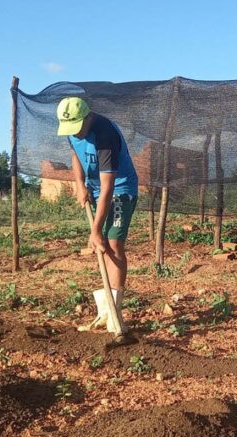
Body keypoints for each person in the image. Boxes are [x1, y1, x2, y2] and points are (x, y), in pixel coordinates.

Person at [56, 97, 139, 332]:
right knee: (102, 247)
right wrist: (80, 184)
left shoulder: (105, 137)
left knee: (112, 244)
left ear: (88, 117)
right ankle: (105, 312)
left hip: (120, 189)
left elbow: (108, 188)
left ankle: (114, 313)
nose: (75, 134)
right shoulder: (74, 131)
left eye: (78, 128)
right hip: (95, 189)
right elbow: (76, 155)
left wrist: (95, 231)